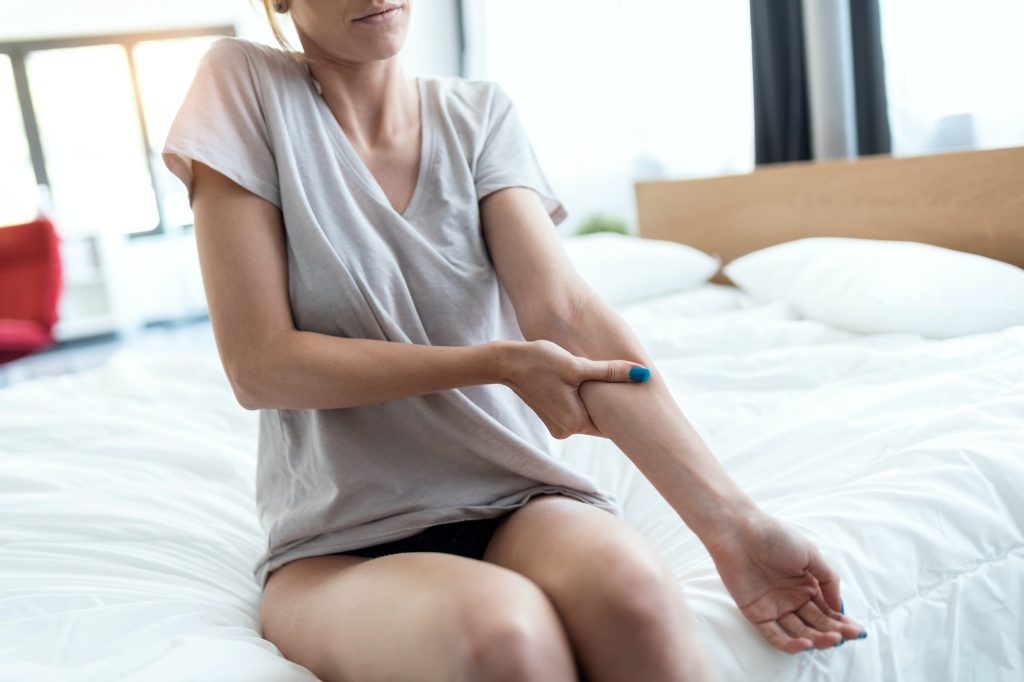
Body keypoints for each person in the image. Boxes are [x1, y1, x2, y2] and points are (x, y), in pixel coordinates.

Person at [161, 1, 867, 680]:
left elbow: (564, 316)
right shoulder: (244, 84)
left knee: (638, 598)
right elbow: (260, 366)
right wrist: (496, 363)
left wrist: (735, 527)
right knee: (501, 636)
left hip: (517, 500)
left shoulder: (479, 114)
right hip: (344, 546)